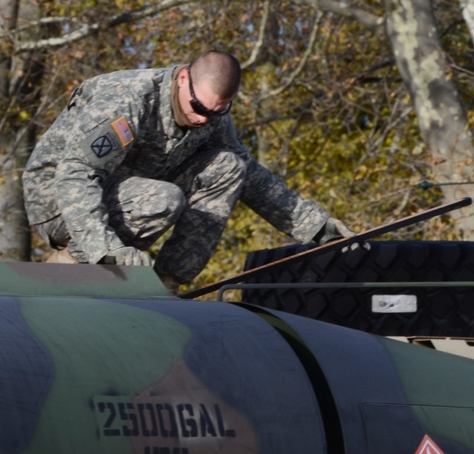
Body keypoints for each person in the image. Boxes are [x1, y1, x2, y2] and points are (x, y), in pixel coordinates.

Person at [21, 50, 353, 293]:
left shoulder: (212, 115)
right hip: (59, 204)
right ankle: (68, 264)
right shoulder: (128, 100)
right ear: (183, 79)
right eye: (198, 108)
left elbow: (252, 177)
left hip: (127, 193)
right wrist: (104, 250)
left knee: (229, 166)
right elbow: (76, 174)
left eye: (216, 112)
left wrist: (318, 228)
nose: (202, 120)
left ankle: (167, 283)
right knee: (163, 198)